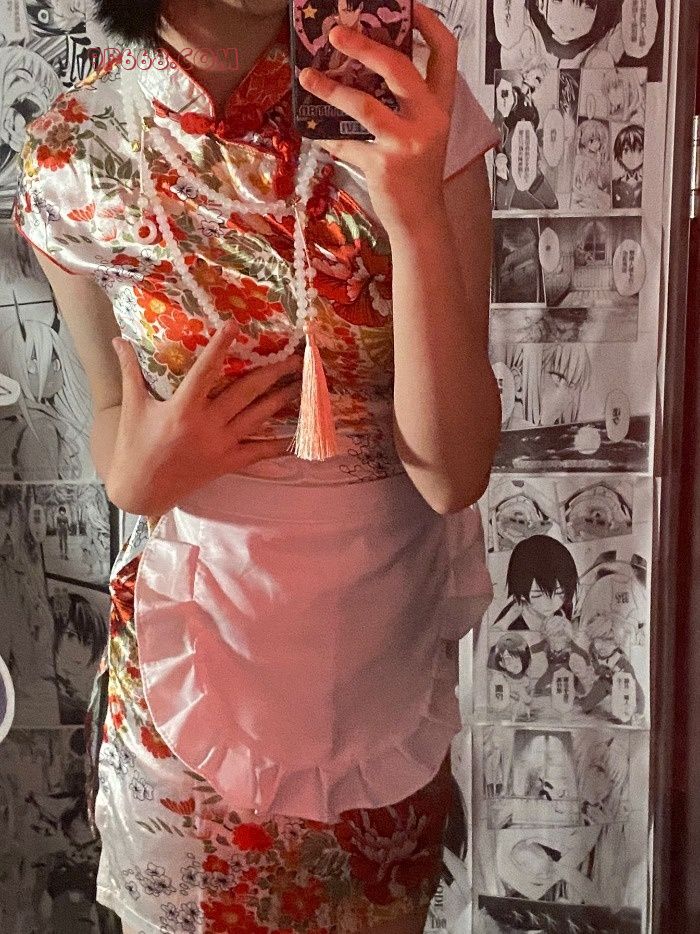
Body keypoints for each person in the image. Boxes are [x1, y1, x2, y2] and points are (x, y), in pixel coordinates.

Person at [12, 1, 501, 931]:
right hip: (192, 653)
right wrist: (136, 478)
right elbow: (112, 417)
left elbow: (454, 472)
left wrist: (413, 213)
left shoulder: (407, 106)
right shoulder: (74, 154)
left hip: (383, 644)